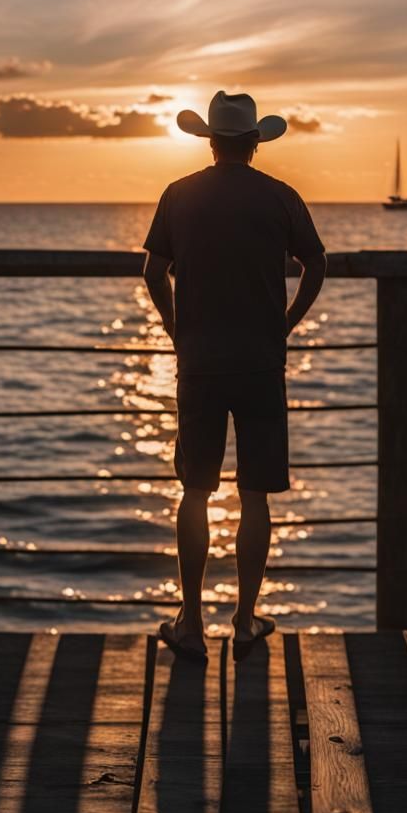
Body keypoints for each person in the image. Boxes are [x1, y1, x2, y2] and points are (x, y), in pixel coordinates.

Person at [142, 90, 327, 661]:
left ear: (211, 141)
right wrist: (287, 324)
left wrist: (175, 330)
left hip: (200, 362)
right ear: (252, 143)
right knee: (255, 498)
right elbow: (317, 263)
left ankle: (191, 623)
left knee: (194, 493)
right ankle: (244, 623)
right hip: (260, 362)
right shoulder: (280, 197)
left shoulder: (179, 195)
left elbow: (153, 271)